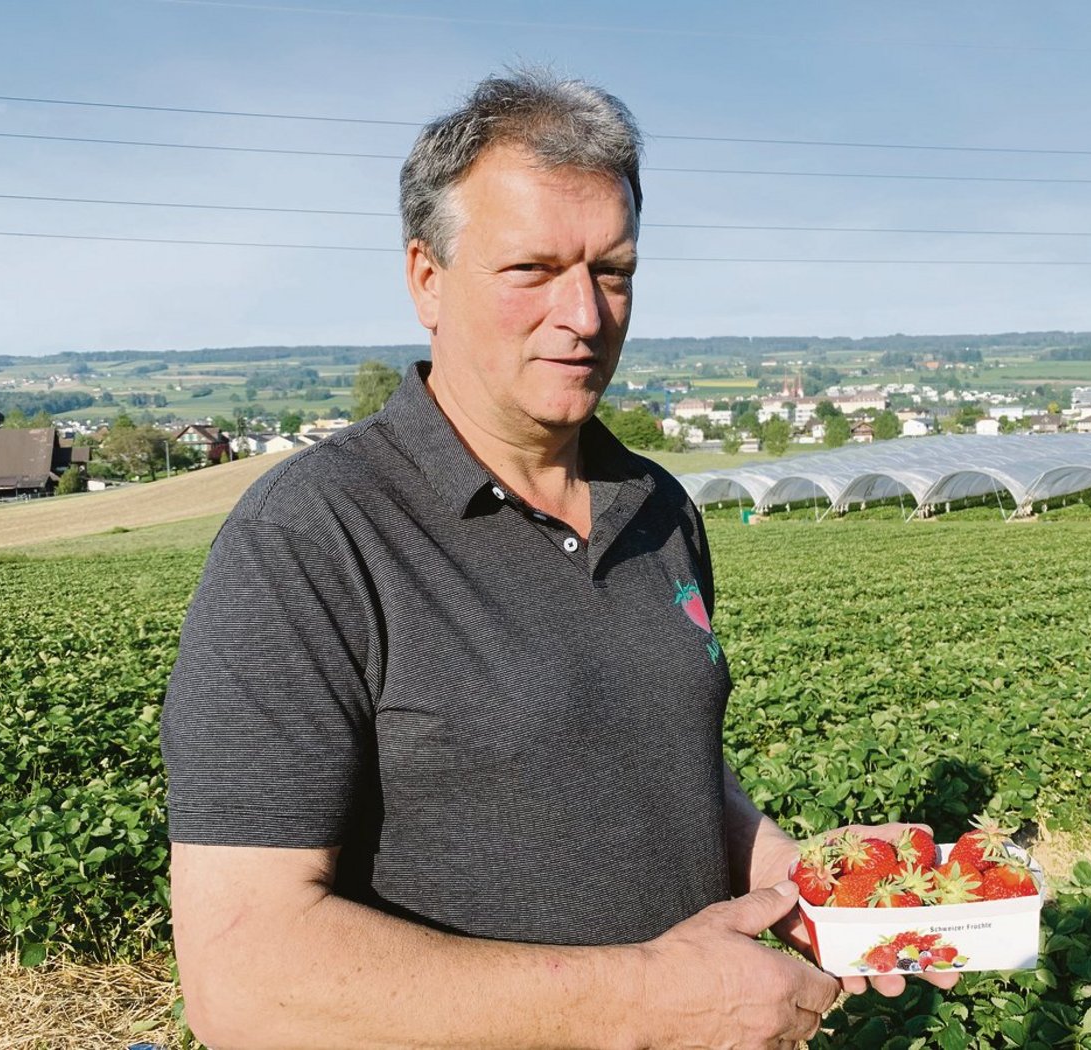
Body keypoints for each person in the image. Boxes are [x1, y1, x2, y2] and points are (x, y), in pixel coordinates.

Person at [161, 68, 955, 1049]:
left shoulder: (658, 510)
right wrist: (644, 1003)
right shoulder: (311, 537)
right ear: (426, 279)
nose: (584, 316)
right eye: (531, 270)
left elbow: (671, 771)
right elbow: (244, 981)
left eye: (611, 271)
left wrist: (800, 887)